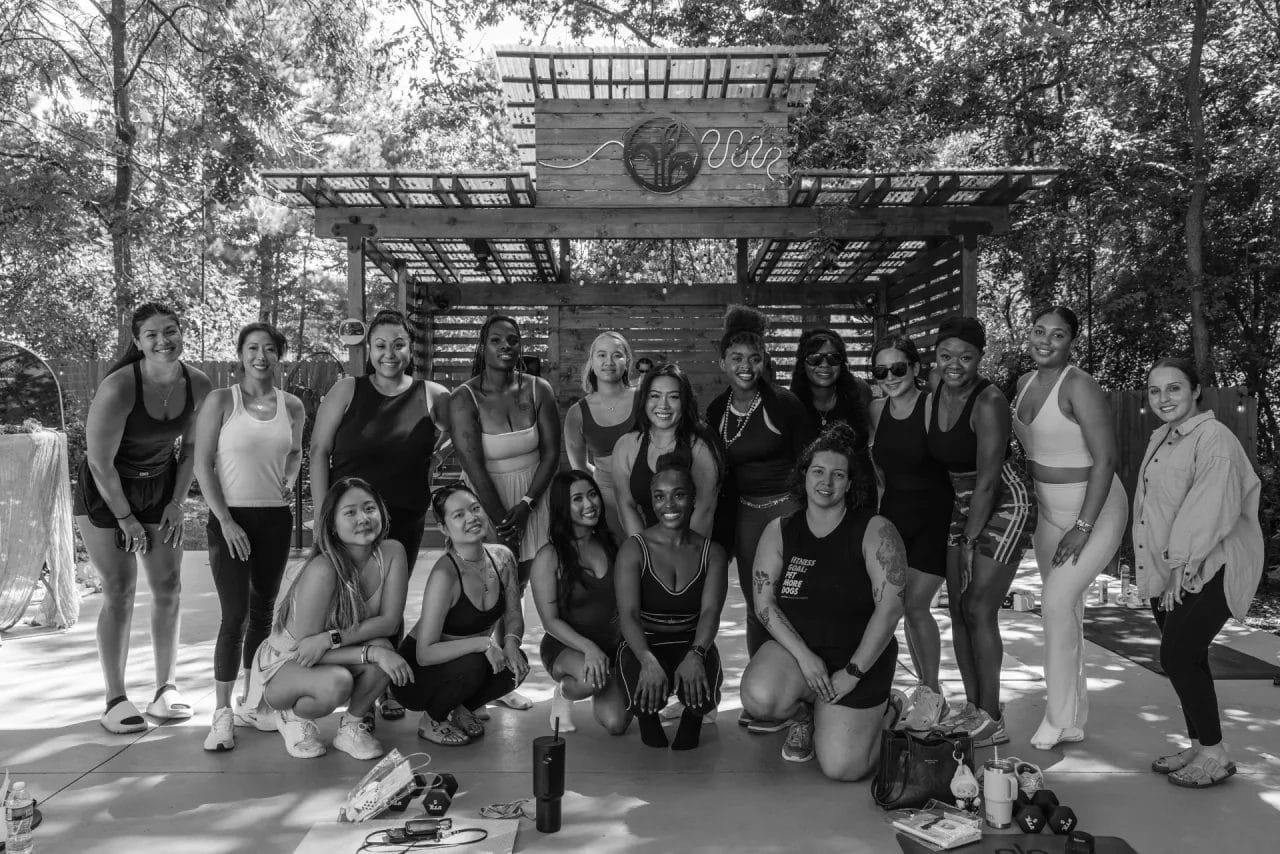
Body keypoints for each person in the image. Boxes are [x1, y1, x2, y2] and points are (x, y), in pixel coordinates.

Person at [73, 302, 214, 734]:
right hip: (108, 490)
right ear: (137, 342)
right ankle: (115, 698)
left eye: (170, 331)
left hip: (160, 485)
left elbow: (191, 450)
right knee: (119, 588)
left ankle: (165, 690)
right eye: (151, 334)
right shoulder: (119, 387)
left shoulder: (199, 384)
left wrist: (175, 502)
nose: (163, 341)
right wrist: (126, 518)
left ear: (181, 333)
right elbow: (100, 464)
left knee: (169, 586)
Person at [740, 423, 907, 775]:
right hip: (801, 654)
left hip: (859, 657)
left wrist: (853, 672)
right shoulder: (780, 531)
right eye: (817, 471)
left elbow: (890, 609)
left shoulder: (875, 530)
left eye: (837, 475)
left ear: (850, 483)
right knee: (759, 697)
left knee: (843, 768)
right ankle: (806, 713)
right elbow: (764, 604)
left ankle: (887, 711)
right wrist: (805, 658)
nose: (826, 483)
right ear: (803, 475)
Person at [310, 308, 450, 720]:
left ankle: (383, 688)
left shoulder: (434, 395)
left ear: (411, 349)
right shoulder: (346, 391)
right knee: (345, 603)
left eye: (399, 344)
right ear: (368, 350)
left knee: (390, 604)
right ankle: (349, 685)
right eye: (381, 345)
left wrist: (434, 457)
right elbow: (318, 452)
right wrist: (322, 517)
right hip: (345, 520)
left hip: (401, 516)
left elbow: (463, 435)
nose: (390, 353)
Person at [1135, 357, 1263, 788]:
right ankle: (1198, 743)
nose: (1163, 398)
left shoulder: (1215, 439)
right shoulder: (1164, 437)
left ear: (1195, 391)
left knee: (1176, 656)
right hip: (1173, 566)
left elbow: (1209, 508)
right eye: (1155, 391)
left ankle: (1215, 754)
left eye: (1174, 388)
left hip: (1212, 566)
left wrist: (1178, 567)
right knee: (1188, 658)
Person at [1013, 306, 1128, 750]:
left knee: (1056, 604)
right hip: (1048, 511)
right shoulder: (1023, 385)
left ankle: (1057, 718)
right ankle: (1075, 714)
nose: (1046, 341)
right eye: (1039, 331)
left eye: (1057, 335)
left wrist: (1083, 525)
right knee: (1068, 611)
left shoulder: (1080, 386)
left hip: (1093, 509)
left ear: (1071, 341)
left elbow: (1106, 461)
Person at [192, 322, 305, 751]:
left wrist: (289, 478)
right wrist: (225, 520)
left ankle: (252, 701)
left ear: (280, 356)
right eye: (253, 348)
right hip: (230, 520)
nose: (261, 356)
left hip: (275, 519)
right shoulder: (223, 401)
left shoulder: (291, 406)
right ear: (240, 355)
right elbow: (203, 465)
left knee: (263, 615)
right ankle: (221, 714)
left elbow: (294, 452)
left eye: (270, 349)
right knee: (234, 615)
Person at [243, 477, 413, 760]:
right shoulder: (323, 570)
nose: (363, 518)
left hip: (328, 649)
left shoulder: (392, 552)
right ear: (332, 524)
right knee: (339, 681)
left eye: (370, 508)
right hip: (287, 664)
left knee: (386, 649)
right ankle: (290, 718)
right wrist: (369, 653)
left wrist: (332, 639)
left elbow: (389, 622)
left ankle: (351, 727)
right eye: (350, 512)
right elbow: (307, 651)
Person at [925, 316, 1035, 748]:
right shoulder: (935, 393)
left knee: (977, 607)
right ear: (935, 356)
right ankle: (972, 709)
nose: (955, 364)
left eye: (966, 357)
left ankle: (992, 716)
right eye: (946, 356)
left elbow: (989, 479)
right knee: (956, 608)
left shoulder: (988, 400)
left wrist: (970, 542)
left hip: (1004, 501)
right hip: (962, 500)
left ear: (979, 358)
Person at [706, 305, 815, 731]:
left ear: (765, 360)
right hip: (746, 515)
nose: (746, 367)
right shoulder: (716, 410)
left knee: (791, 599)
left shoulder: (784, 405)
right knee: (756, 604)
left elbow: (810, 464)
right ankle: (761, 692)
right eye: (737, 359)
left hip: (785, 510)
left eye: (754, 359)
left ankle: (799, 688)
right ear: (723, 363)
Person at [449, 314, 560, 711]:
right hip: (485, 499)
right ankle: (474, 675)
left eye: (513, 339)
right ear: (483, 346)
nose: (506, 346)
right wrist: (499, 522)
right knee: (484, 590)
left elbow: (552, 454)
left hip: (533, 497)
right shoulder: (464, 397)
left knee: (518, 588)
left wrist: (527, 507)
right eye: (496, 339)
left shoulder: (538, 388)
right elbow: (472, 464)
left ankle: (503, 675)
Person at [392, 483, 529, 744]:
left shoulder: (502, 557)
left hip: (462, 664)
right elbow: (425, 652)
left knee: (514, 666)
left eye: (475, 509)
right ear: (444, 528)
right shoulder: (446, 574)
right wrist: (482, 643)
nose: (471, 518)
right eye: (458, 515)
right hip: (417, 675)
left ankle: (459, 707)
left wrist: (511, 643)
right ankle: (432, 719)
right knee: (475, 663)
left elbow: (513, 614)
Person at [868, 335, 954, 731]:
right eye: (881, 371)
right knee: (895, 608)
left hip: (935, 518)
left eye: (898, 368)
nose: (890, 377)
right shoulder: (875, 410)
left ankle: (932, 691)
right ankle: (924, 691)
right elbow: (880, 473)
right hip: (894, 520)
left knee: (917, 606)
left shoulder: (931, 405)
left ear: (916, 369)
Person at [615, 457, 729, 751]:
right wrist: (647, 660)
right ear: (651, 501)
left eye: (678, 495)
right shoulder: (634, 549)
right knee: (643, 706)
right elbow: (627, 615)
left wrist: (696, 653)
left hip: (691, 639)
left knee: (700, 696)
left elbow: (710, 612)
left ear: (692, 498)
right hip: (646, 641)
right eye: (660, 496)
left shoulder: (712, 552)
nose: (669, 505)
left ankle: (692, 717)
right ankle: (648, 717)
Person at [529, 471, 629, 735]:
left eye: (592, 494)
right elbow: (550, 621)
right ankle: (564, 692)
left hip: (611, 646)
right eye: (578, 499)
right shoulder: (549, 557)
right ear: (564, 507)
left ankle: (604, 676)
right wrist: (589, 648)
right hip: (566, 646)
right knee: (588, 682)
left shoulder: (611, 543)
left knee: (617, 724)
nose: (589, 504)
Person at [612, 363, 720, 539]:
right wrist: (645, 553)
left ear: (684, 402)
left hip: (691, 549)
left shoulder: (700, 448)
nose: (663, 405)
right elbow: (625, 507)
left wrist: (679, 559)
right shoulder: (626, 446)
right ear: (644, 399)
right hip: (645, 547)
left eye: (674, 397)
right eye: (654, 396)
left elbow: (704, 511)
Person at [564, 332, 637, 538]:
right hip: (607, 500)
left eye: (617, 355)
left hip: (645, 493)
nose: (609, 362)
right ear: (592, 361)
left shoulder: (644, 398)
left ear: (627, 361)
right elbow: (579, 468)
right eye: (602, 355)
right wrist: (604, 479)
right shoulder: (577, 413)